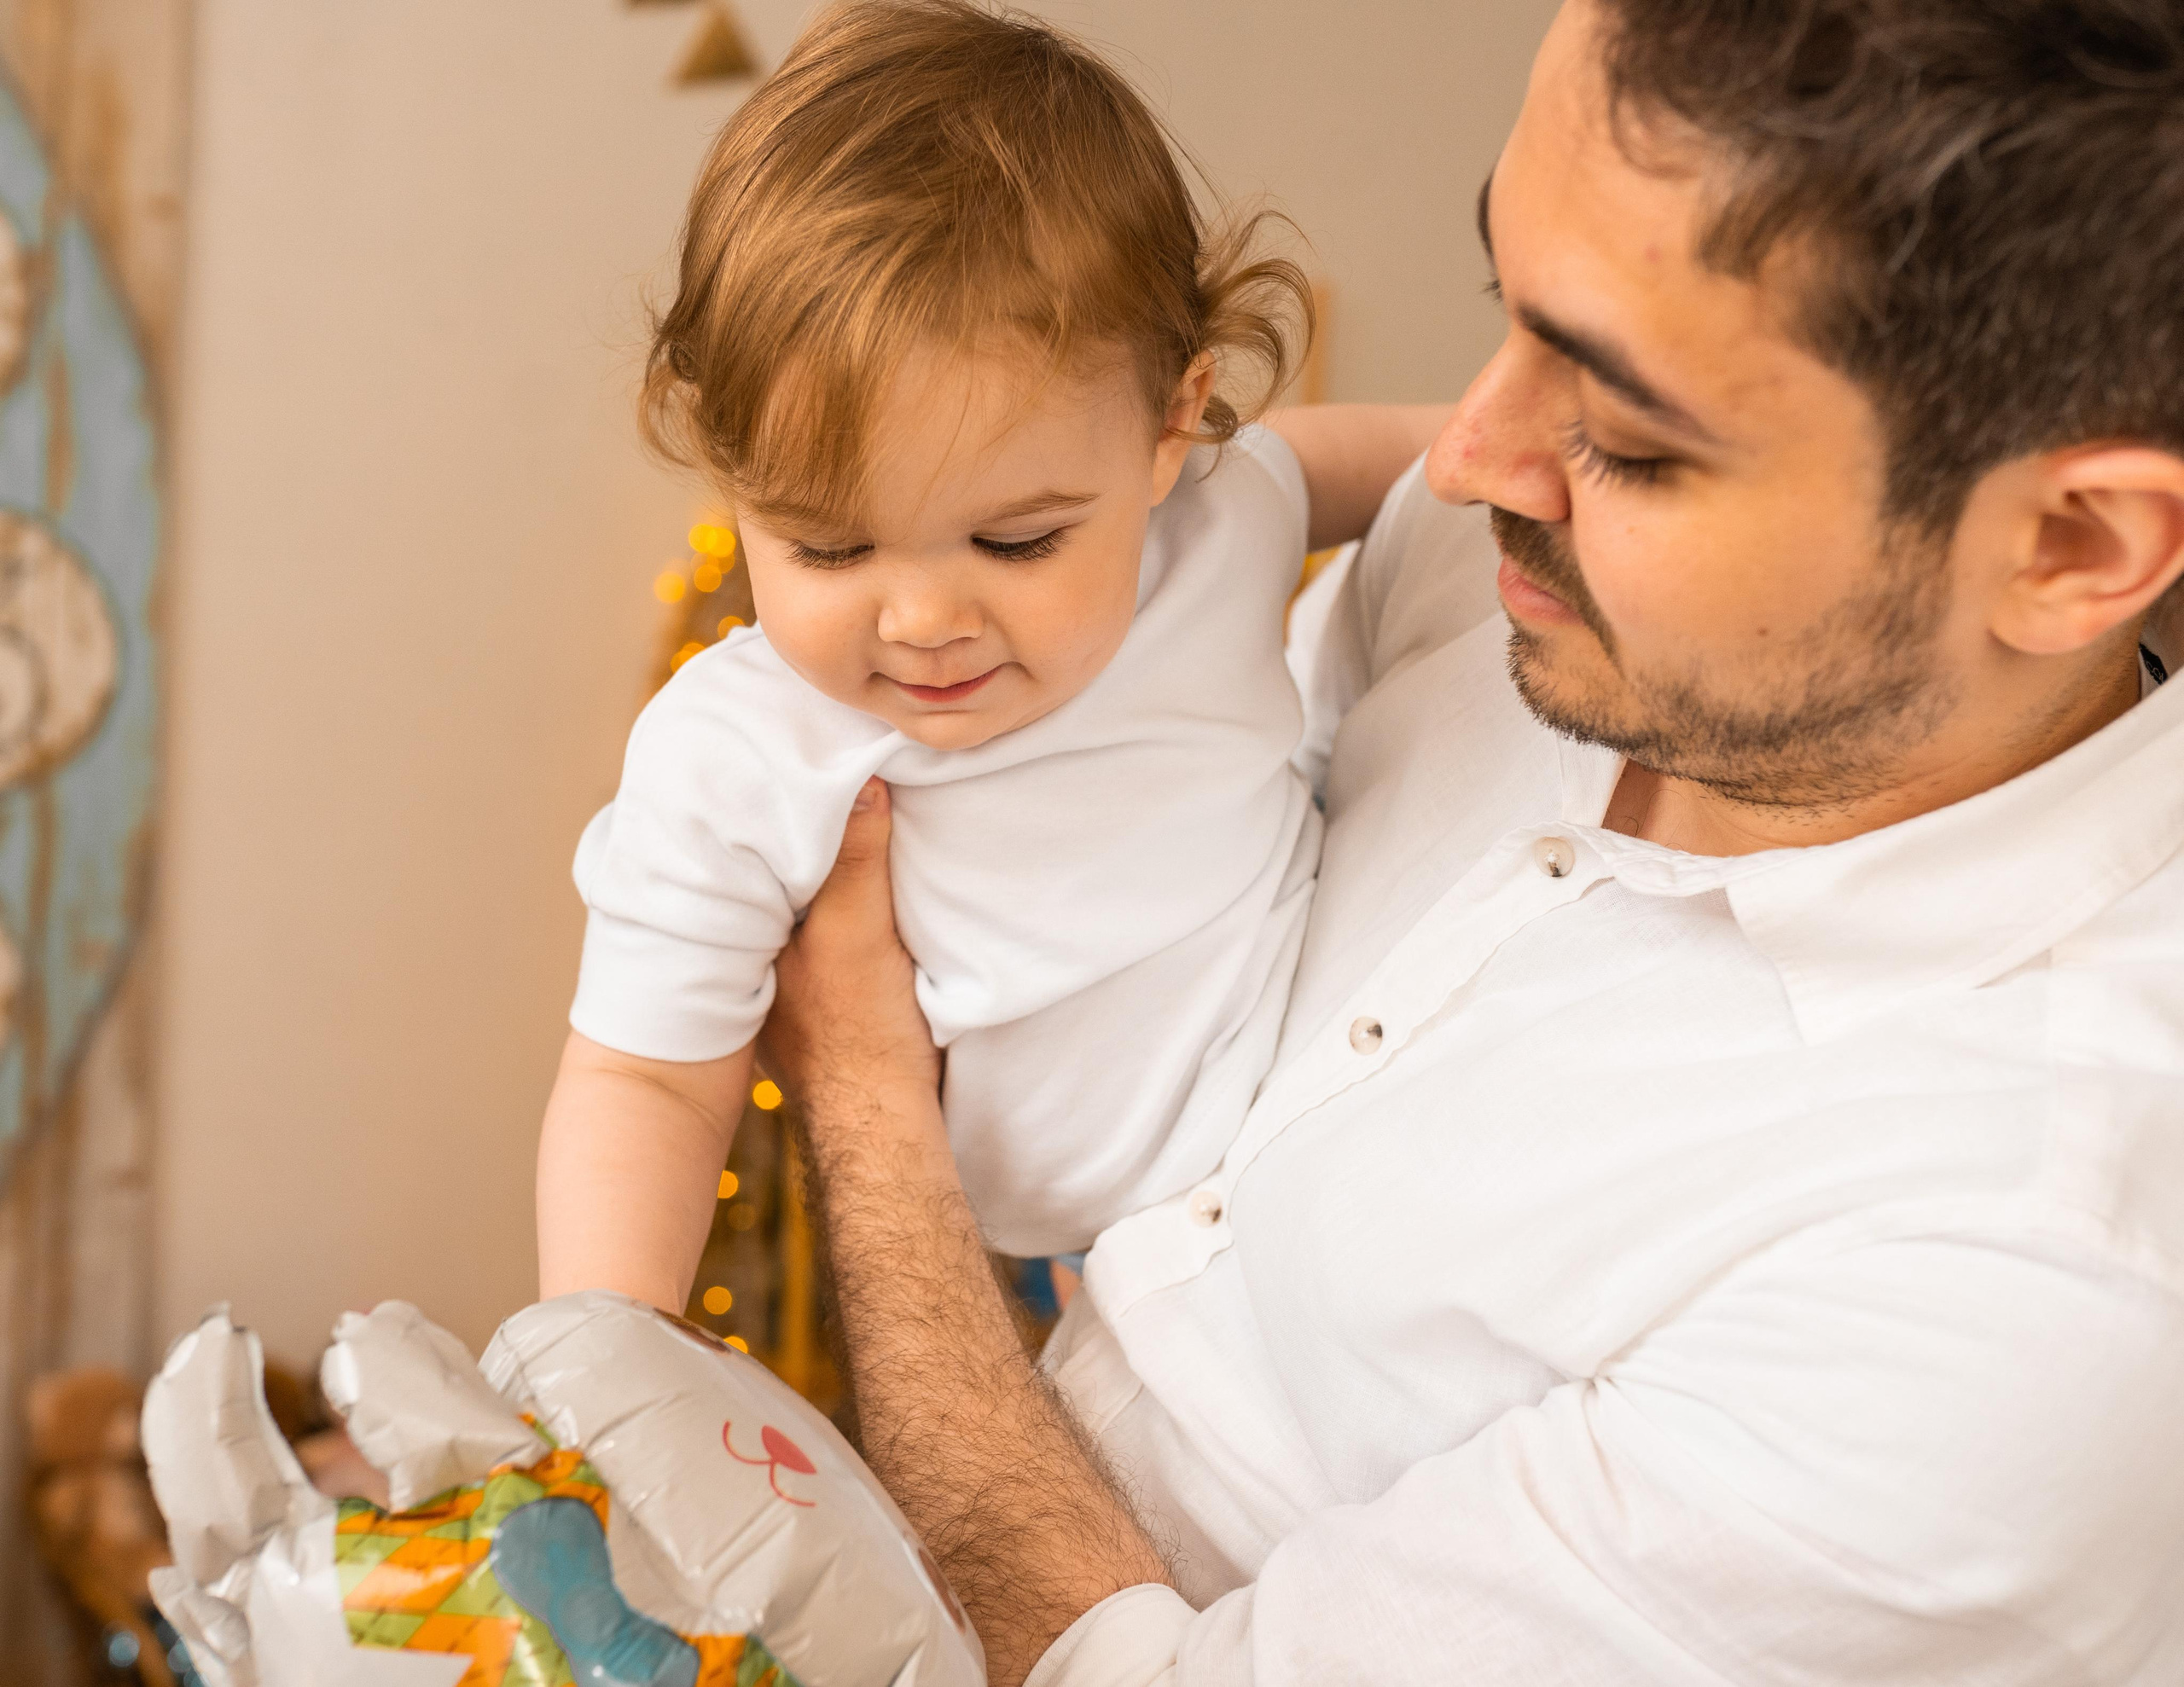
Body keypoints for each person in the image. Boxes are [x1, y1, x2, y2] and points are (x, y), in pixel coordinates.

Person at [754, 1, 2184, 1682]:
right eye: (1503, 300)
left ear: (2071, 544)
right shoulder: (1536, 583)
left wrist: (862, 1097)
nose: (1460, 455)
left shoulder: (2013, 1294)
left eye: (1634, 445)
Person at [533, 0, 1446, 1307]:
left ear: (1169, 428)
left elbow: (1372, 458)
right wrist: (605, 1355)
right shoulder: (734, 758)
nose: (921, 622)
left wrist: (1524, 438)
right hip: (1100, 1261)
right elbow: (644, 1077)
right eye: (832, 551)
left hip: (1346, 1101)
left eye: (1016, 542)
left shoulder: (1218, 521)